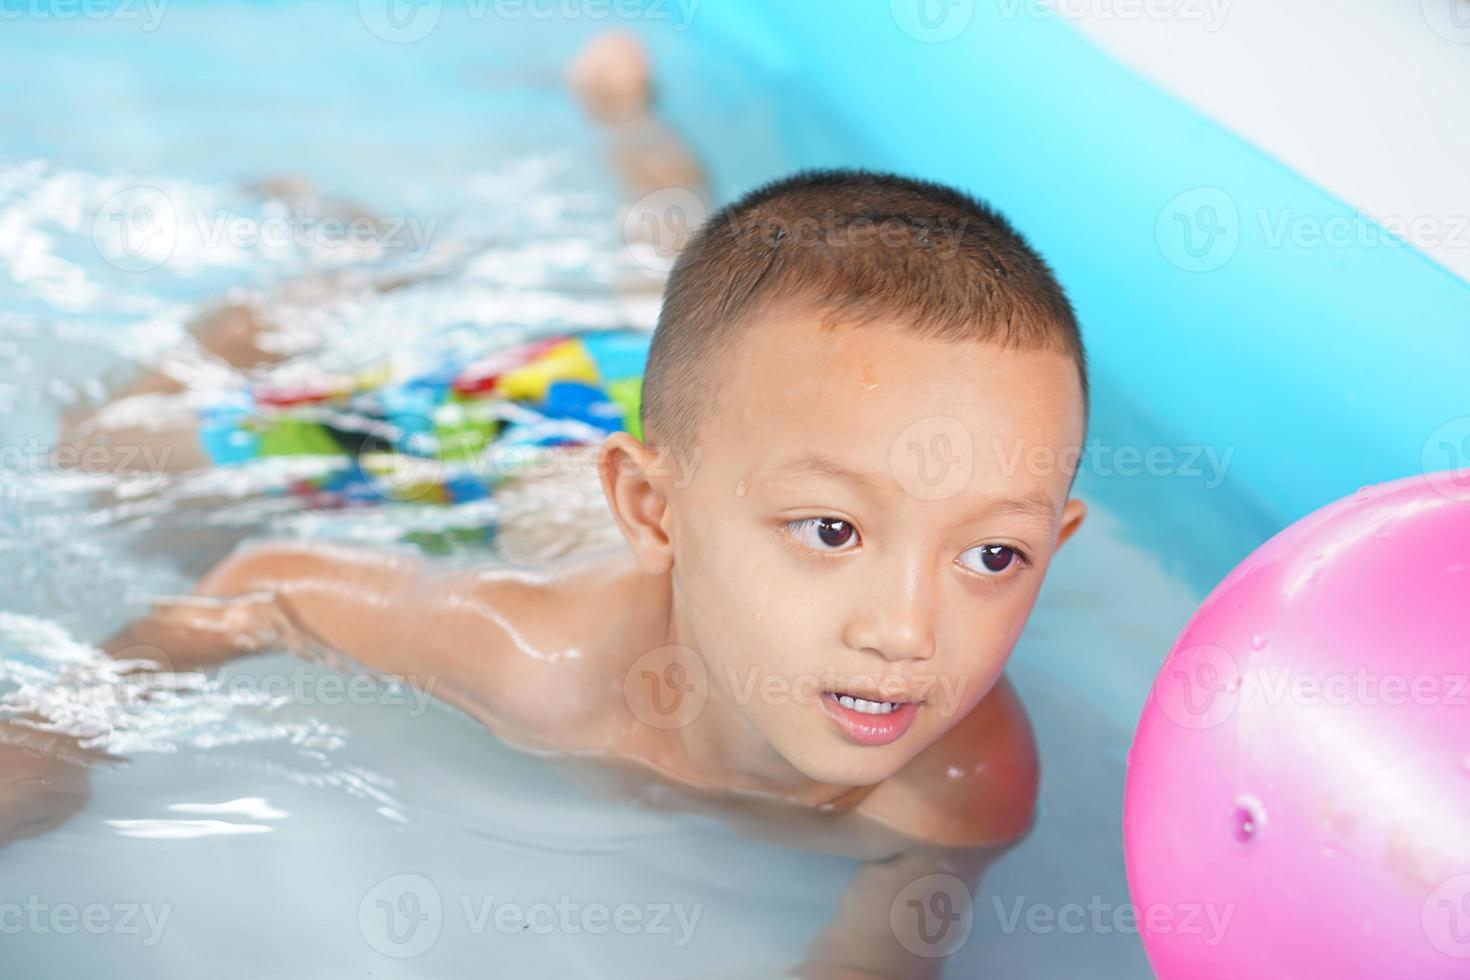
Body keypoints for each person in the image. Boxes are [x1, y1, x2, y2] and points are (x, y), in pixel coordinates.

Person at [103, 169, 1089, 979]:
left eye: (992, 554)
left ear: (1058, 536)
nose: (907, 631)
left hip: (774, 411)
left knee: (685, 301)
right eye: (830, 531)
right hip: (524, 421)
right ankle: (350, 266)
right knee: (105, 458)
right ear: (652, 512)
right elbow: (262, 581)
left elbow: (881, 956)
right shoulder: (542, 662)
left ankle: (636, 139)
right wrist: (57, 739)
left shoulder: (966, 790)